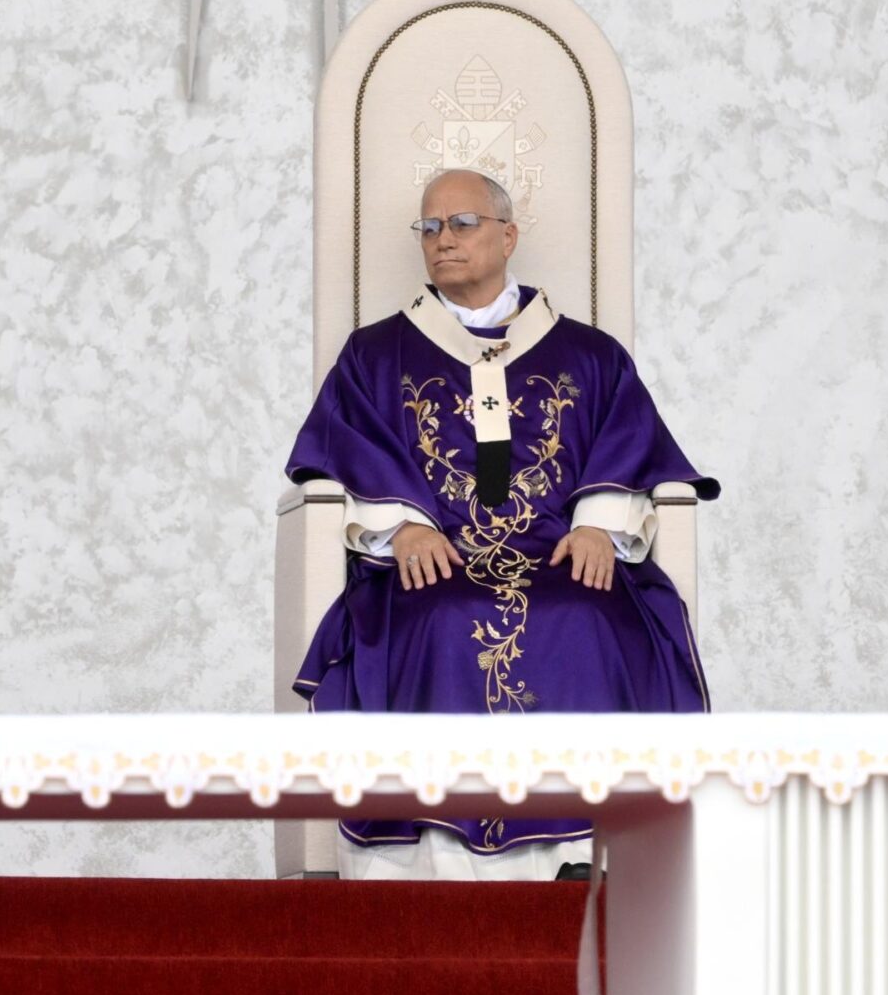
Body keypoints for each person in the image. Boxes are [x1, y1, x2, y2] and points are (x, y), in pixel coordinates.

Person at [287, 168, 718, 879]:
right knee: (441, 618)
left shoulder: (589, 355)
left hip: (561, 555)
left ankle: (584, 853)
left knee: (589, 616)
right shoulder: (375, 355)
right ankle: (441, 864)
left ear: (508, 235)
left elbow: (631, 442)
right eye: (429, 227)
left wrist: (599, 525)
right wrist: (403, 527)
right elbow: (348, 447)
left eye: (462, 224)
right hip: (434, 562)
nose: (443, 240)